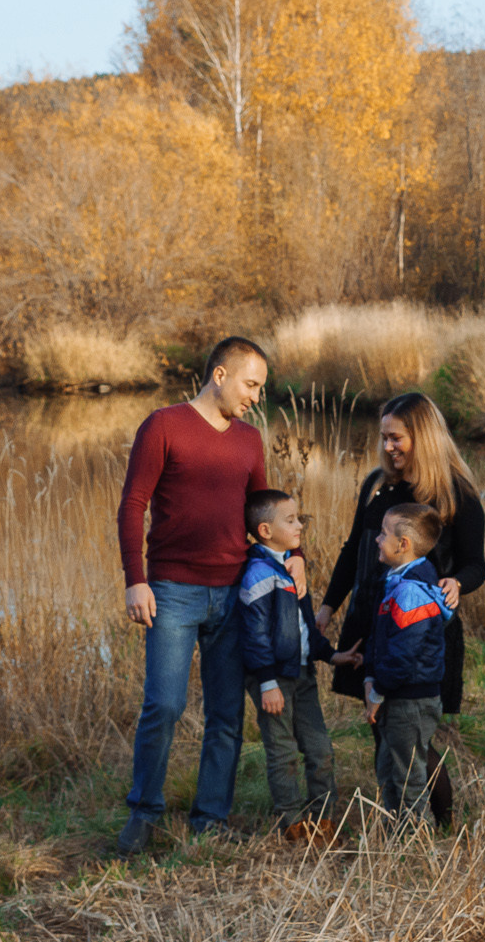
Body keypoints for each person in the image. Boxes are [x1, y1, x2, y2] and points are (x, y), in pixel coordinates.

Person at [114, 335, 270, 856]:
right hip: (172, 592)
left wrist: (292, 555)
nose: (255, 396)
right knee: (164, 704)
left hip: (233, 594)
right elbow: (133, 502)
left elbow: (261, 516)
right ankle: (145, 813)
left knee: (227, 714)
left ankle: (210, 819)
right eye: (251, 384)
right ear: (220, 375)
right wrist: (135, 578)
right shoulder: (164, 425)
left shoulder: (250, 440)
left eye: (261, 388)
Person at [319, 390, 485, 826]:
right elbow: (353, 549)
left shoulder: (455, 494)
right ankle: (400, 817)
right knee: (385, 729)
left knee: (413, 735)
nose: (388, 447)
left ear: (424, 437)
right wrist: (327, 608)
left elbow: (476, 564)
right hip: (370, 621)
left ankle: (441, 823)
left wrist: (457, 581)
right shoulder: (377, 485)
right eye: (384, 437)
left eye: (397, 438)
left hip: (421, 630)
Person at [237, 488, 337, 843]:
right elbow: (254, 635)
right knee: (283, 752)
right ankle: (294, 825)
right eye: (290, 520)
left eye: (299, 518)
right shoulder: (258, 575)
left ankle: (325, 820)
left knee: (320, 749)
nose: (300, 526)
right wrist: (266, 682)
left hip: (303, 673)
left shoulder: (292, 568)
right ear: (265, 531)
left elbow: (305, 624)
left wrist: (330, 654)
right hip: (274, 679)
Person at [343, 501, 451, 823]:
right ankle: (394, 834)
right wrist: (369, 678)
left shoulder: (411, 593)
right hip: (397, 694)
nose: (377, 539)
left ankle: (416, 841)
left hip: (411, 699)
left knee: (408, 776)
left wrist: (378, 691)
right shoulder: (394, 581)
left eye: (383, 534)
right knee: (389, 768)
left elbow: (403, 655)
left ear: (403, 545)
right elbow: (379, 638)